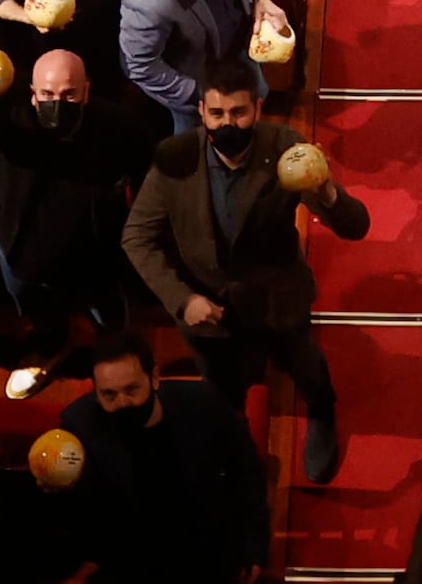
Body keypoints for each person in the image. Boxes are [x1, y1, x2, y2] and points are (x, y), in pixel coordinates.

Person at [123, 58, 365, 480]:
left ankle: (323, 418)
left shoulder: (285, 149)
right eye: (216, 113)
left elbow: (355, 227)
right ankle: (234, 446)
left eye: (238, 112)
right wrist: (182, 300)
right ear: (201, 112)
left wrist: (325, 190)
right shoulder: (175, 159)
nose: (227, 123)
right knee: (223, 391)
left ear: (256, 108)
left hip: (278, 300)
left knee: (309, 371)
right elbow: (137, 237)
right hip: (208, 314)